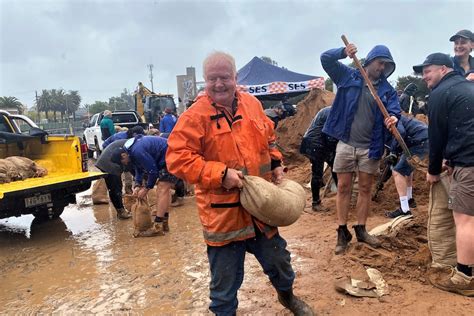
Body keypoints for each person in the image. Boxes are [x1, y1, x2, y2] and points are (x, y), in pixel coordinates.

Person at [166, 51, 313, 315]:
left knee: (280, 264)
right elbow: (177, 158)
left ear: (235, 78)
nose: (219, 84)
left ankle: (288, 297)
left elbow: (269, 137)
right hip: (224, 218)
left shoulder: (252, 105)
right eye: (212, 79)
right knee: (224, 289)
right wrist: (221, 174)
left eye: (224, 77)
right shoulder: (193, 117)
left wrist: (277, 163)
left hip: (261, 207)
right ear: (204, 81)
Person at [321, 43, 400, 255]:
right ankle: (341, 231)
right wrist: (342, 52)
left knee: (365, 189)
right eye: (380, 62)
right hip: (346, 143)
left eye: (386, 65)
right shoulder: (348, 76)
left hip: (370, 148)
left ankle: (361, 229)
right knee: (344, 188)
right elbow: (325, 59)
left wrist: (393, 117)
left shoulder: (387, 90)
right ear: (370, 60)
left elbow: (394, 111)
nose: (382, 67)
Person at [413, 52, 474, 296]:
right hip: (465, 156)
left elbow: (436, 136)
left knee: (465, 220)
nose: (424, 76)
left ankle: (464, 277)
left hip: (469, 164)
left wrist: (433, 170)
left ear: (444, 69)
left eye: (428, 70)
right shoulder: (466, 87)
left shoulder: (440, 93)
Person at [111, 135, 178, 235]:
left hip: (172, 155)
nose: (124, 164)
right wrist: (137, 185)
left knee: (162, 189)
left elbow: (153, 171)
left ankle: (158, 226)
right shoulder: (130, 151)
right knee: (164, 189)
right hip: (166, 157)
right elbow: (139, 168)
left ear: (124, 156)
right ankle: (164, 223)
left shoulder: (137, 151)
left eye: (122, 162)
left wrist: (146, 188)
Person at [384, 115, 428, 218]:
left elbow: (400, 133)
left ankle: (404, 210)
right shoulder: (398, 117)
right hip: (422, 139)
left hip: (419, 142)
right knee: (407, 169)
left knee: (398, 171)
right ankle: (409, 199)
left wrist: (393, 151)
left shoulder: (390, 118)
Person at [300, 106, 338, 211]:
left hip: (316, 143)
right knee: (317, 173)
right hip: (316, 145)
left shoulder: (329, 110)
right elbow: (330, 135)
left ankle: (340, 194)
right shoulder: (332, 112)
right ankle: (315, 203)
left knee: (335, 167)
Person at [95, 139, 132, 219]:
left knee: (117, 186)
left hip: (112, 159)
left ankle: (121, 210)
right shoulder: (132, 146)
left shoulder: (132, 143)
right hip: (108, 162)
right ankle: (121, 212)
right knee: (115, 187)